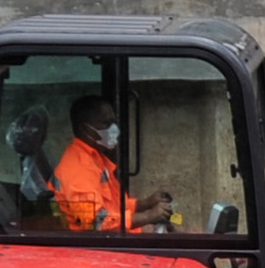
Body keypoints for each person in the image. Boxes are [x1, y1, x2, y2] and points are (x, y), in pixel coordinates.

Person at [50, 96, 175, 231]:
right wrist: (147, 217)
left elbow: (114, 206)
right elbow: (96, 222)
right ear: (85, 129)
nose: (114, 128)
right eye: (106, 123)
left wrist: (145, 203)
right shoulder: (78, 168)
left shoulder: (96, 158)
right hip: (96, 248)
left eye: (113, 122)